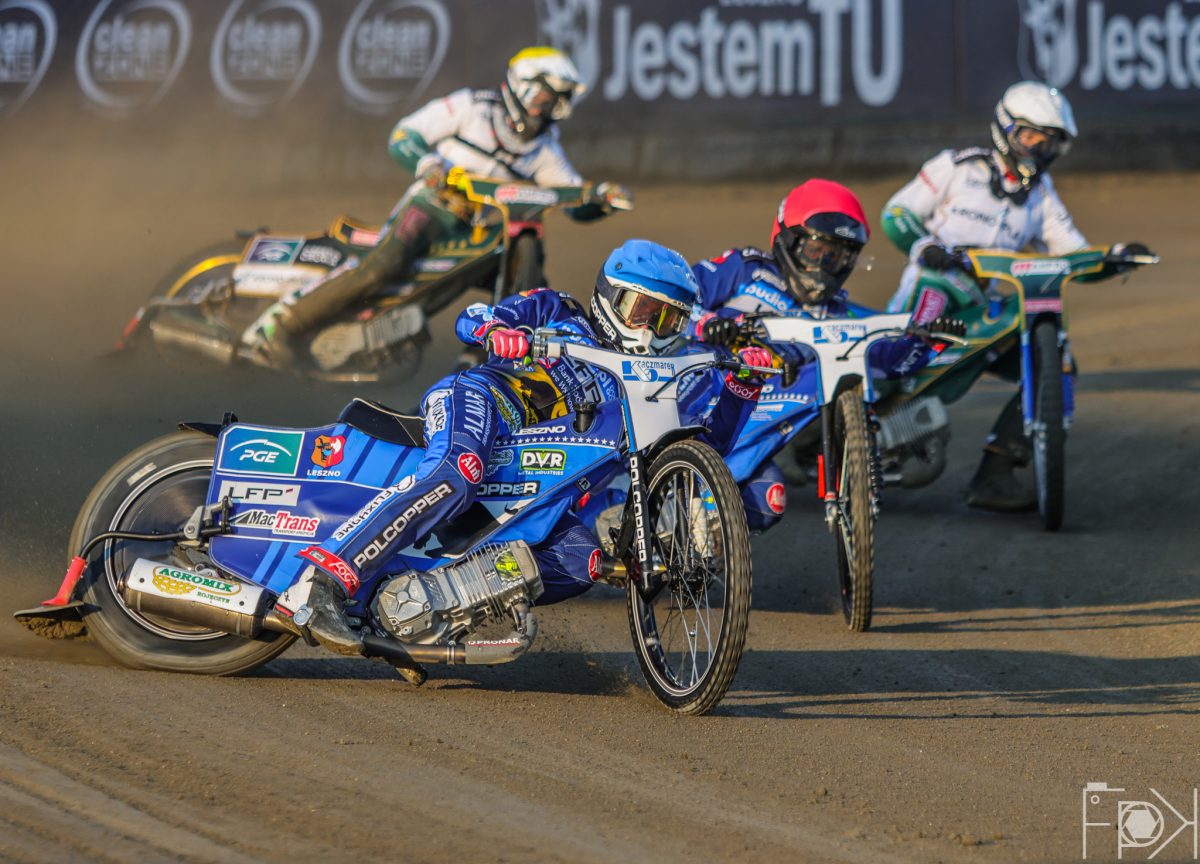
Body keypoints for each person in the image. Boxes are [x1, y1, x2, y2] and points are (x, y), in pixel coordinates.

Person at [275, 239, 772, 654]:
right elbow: (474, 316)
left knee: (580, 560)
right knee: (458, 471)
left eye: (666, 321)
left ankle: (421, 607)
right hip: (482, 400)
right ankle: (320, 585)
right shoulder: (559, 310)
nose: (649, 330)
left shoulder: (654, 389)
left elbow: (704, 454)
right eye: (641, 311)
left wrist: (743, 388)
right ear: (609, 298)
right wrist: (497, 331)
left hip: (536, 483)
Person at [244, 46, 629, 365]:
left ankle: (482, 363)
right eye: (545, 98)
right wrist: (427, 165)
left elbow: (573, 201)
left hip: (472, 231)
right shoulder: (470, 107)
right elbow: (403, 135)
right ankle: (280, 326)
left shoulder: (545, 148)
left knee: (521, 275)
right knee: (382, 267)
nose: (549, 109)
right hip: (430, 206)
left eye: (557, 103)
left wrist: (602, 199)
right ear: (522, 86)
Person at [879, 80, 1151, 511]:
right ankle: (851, 418)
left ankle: (997, 472)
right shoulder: (957, 166)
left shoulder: (1042, 197)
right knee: (898, 360)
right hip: (933, 286)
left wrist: (1114, 259)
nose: (1038, 149)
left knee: (1056, 364)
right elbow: (896, 214)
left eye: (1049, 142)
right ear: (1005, 129)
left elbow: (1072, 257)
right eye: (1030, 136)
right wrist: (925, 247)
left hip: (979, 306)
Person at [687, 179, 957, 532]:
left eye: (839, 257)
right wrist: (708, 324)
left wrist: (927, 340)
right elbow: (679, 296)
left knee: (767, 503)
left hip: (765, 422)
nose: (826, 267)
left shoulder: (839, 312)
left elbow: (888, 360)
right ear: (789, 239)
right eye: (818, 252)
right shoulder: (745, 269)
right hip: (702, 399)